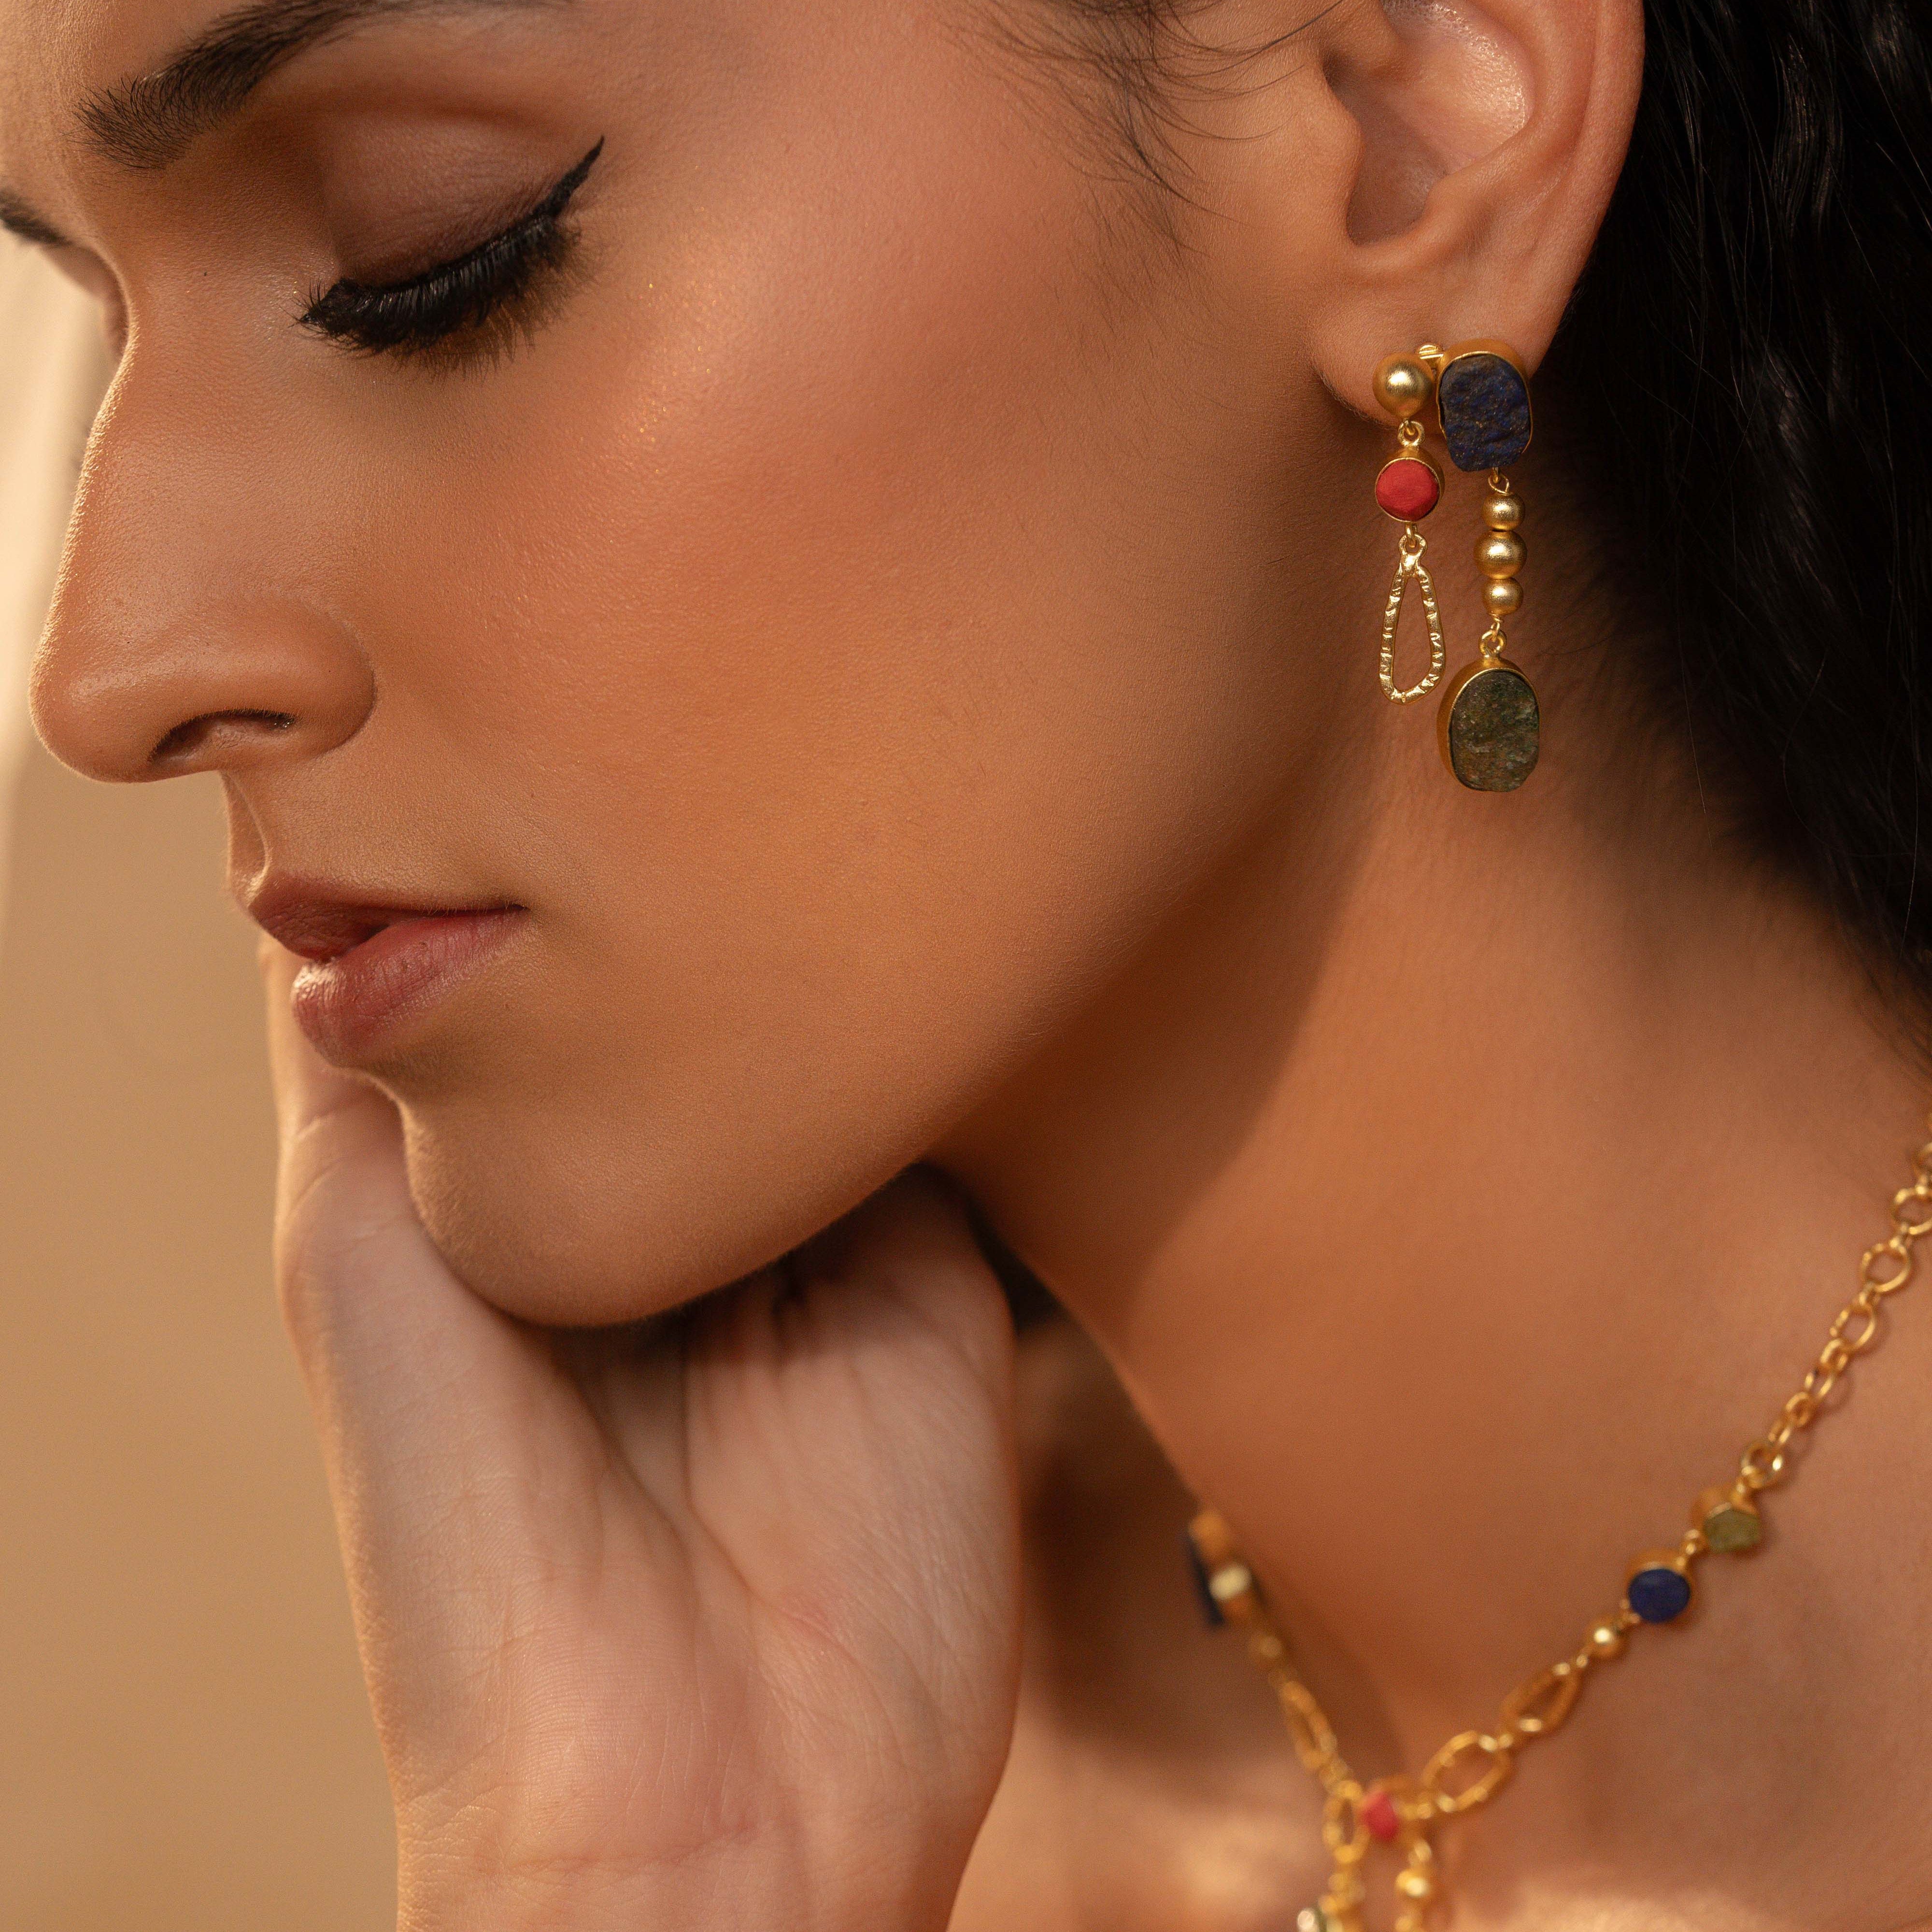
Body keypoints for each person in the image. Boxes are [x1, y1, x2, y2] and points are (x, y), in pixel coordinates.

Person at [7, 0, 1931, 1924]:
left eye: (428, 253)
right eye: (101, 311)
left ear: (1403, 111)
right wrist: (639, 1880)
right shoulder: (856, 1759)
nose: (107, 667)